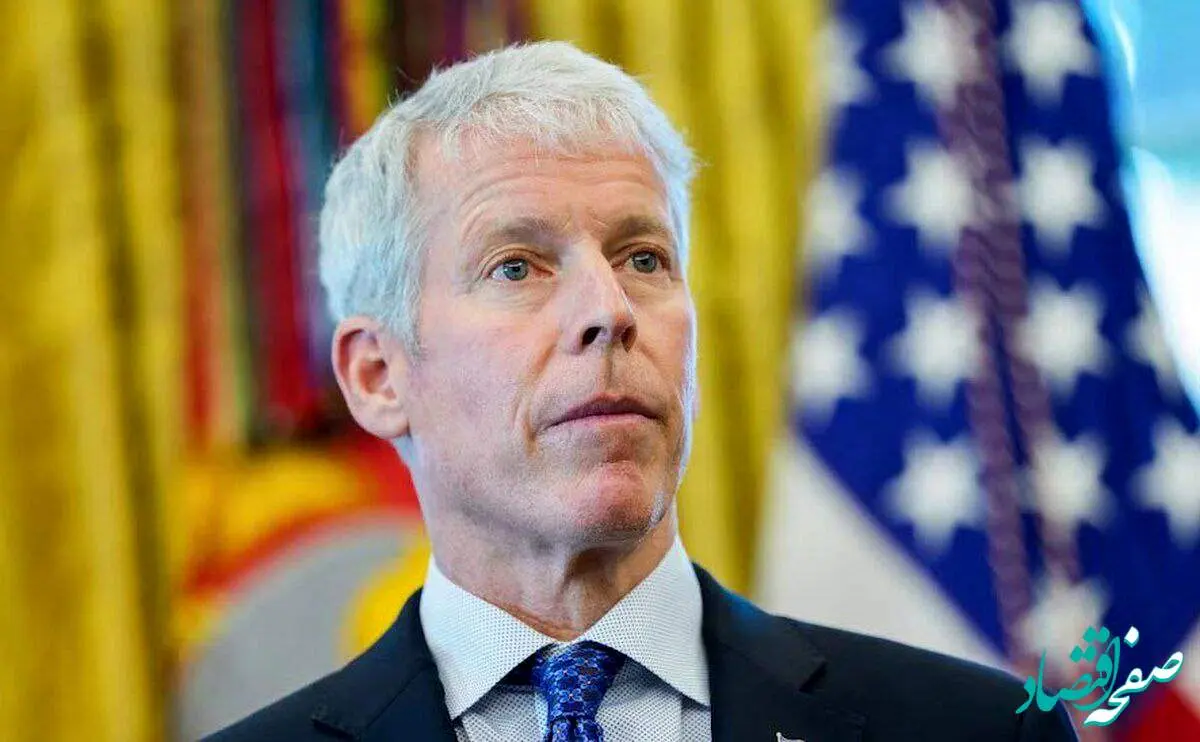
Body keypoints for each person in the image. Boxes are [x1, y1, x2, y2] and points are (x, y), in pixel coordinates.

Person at [205, 41, 1076, 742]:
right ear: (378, 376)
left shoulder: (975, 729)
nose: (611, 311)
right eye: (517, 266)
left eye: (644, 258)